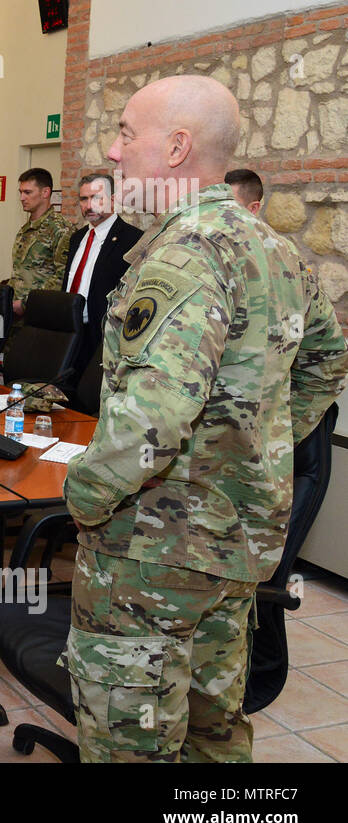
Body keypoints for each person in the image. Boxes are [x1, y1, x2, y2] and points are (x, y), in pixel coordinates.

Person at [62, 75, 348, 762]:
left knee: (131, 742)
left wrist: (84, 493)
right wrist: (250, 445)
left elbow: (150, 424)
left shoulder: (184, 254)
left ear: (177, 146)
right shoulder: (275, 249)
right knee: (213, 733)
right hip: (236, 546)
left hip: (151, 553)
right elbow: (326, 362)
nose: (113, 151)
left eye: (127, 133)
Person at [62, 173, 142, 377]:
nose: (89, 205)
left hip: (102, 337)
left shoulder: (132, 239)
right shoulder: (77, 238)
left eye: (97, 198)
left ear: (112, 200)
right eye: (83, 199)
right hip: (69, 331)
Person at [9, 167, 70, 318]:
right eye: (20, 192)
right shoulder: (26, 228)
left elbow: (62, 276)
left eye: (28, 192)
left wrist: (25, 304)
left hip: (40, 312)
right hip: (14, 313)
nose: (22, 198)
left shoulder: (59, 228)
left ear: (45, 192)